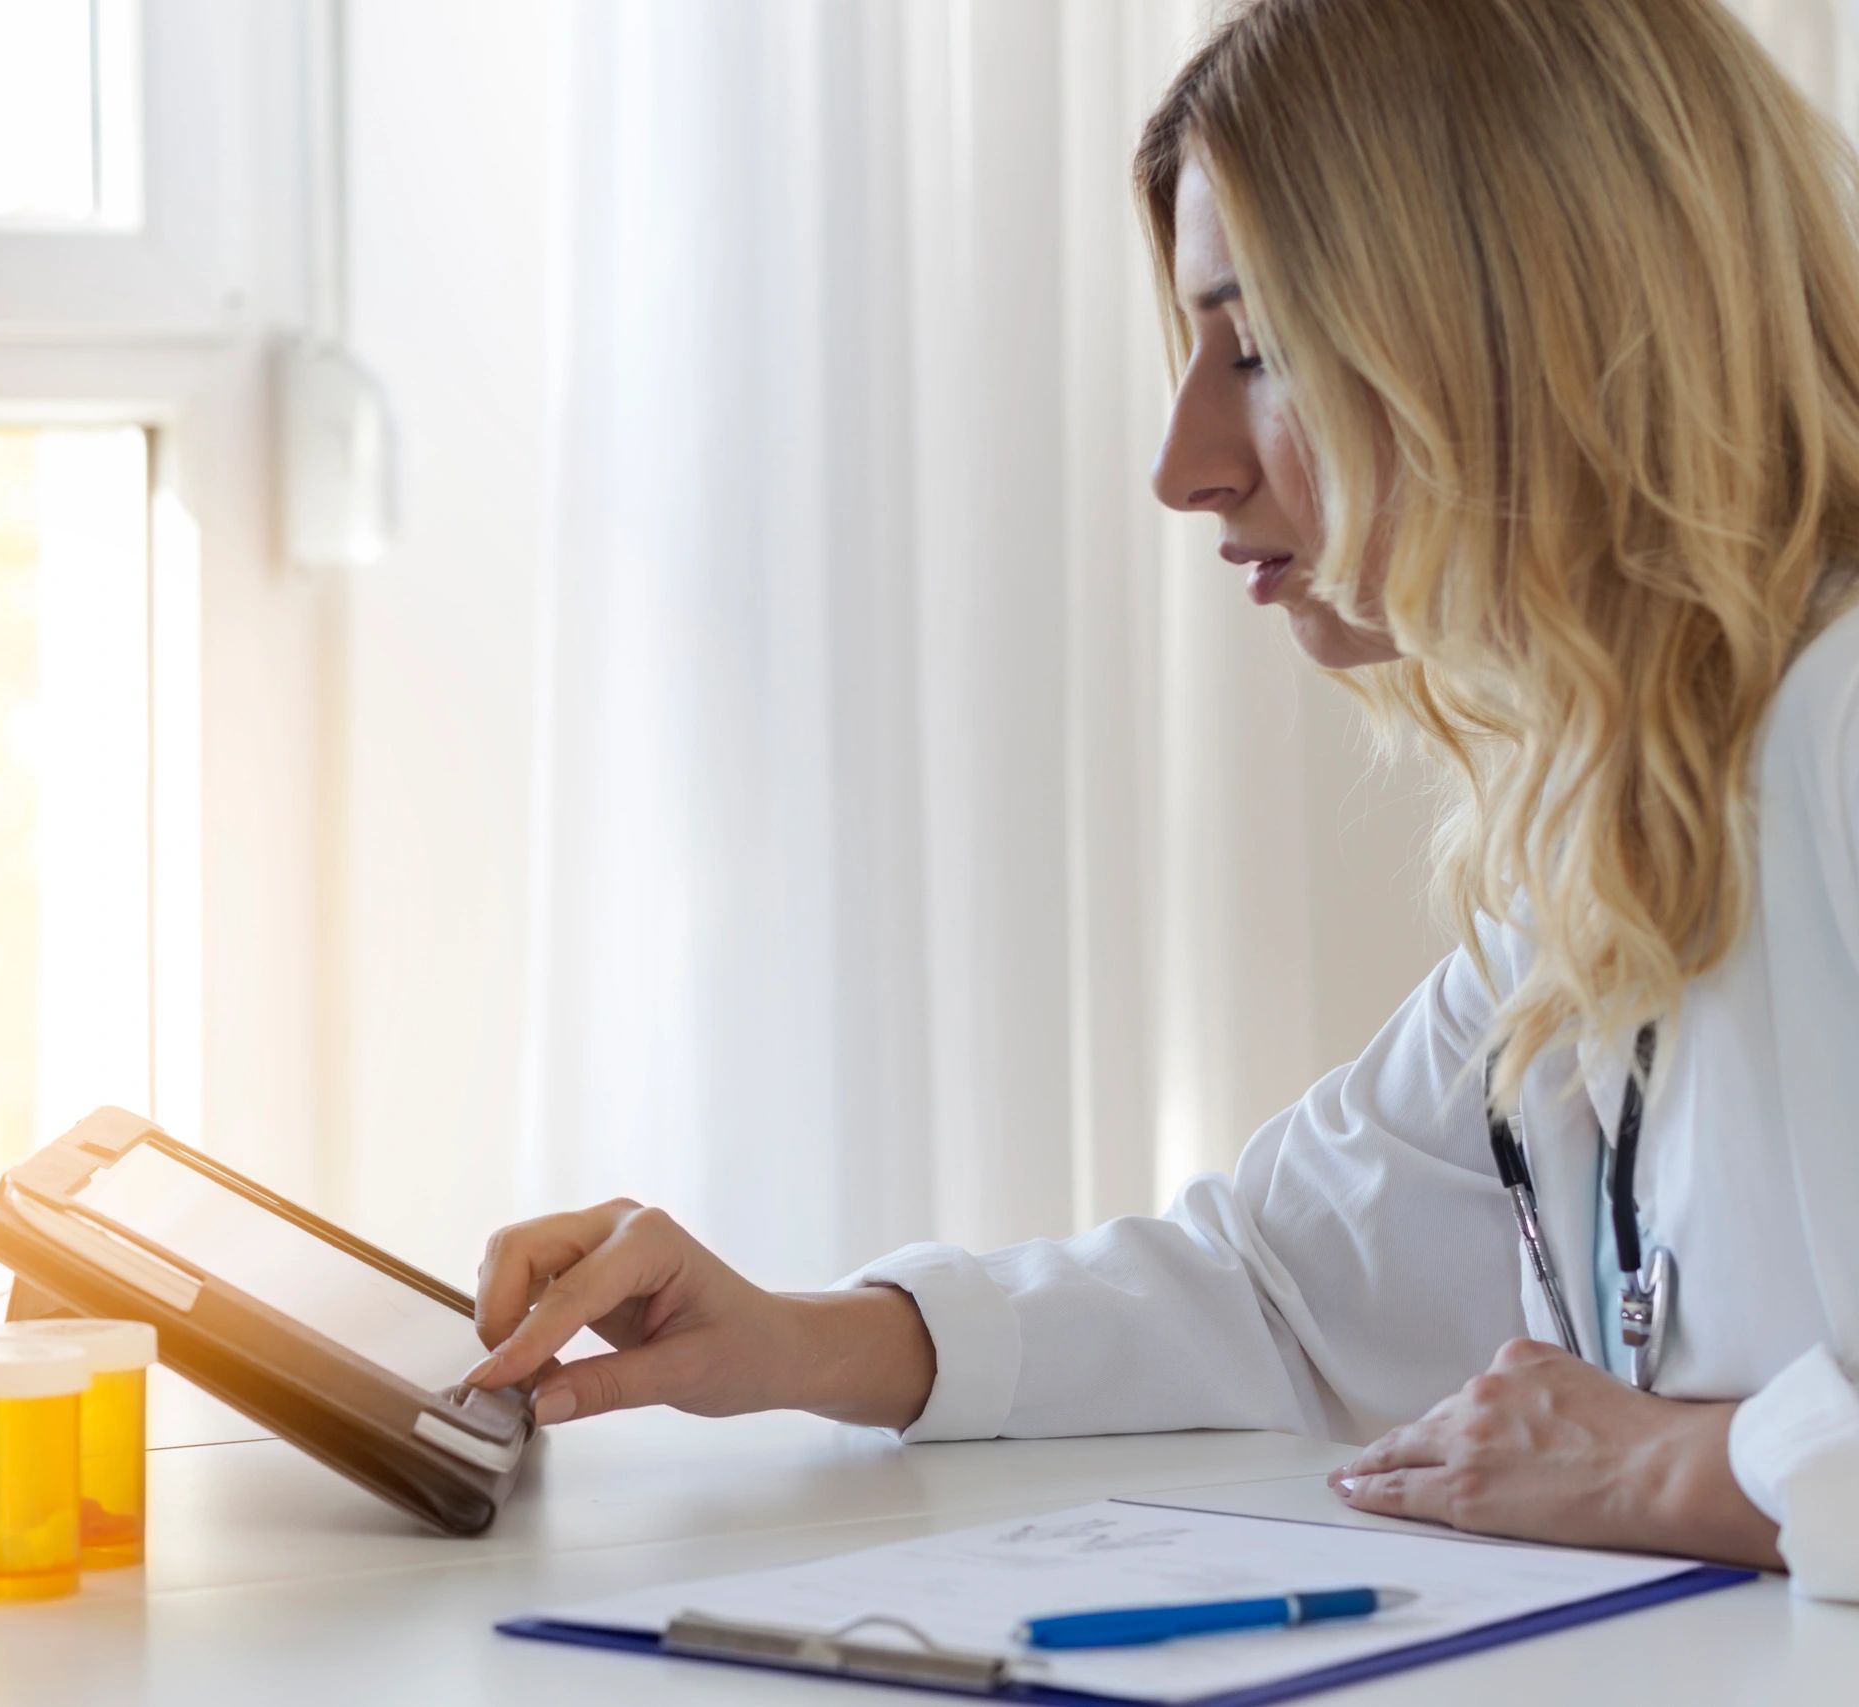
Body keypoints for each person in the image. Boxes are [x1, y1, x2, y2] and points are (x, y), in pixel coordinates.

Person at [464, 0, 1859, 1601]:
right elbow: (1278, 1285)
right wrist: (797, 1339)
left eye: (1258, 350)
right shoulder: (1614, 826)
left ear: (1537, 321)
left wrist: (1685, 1465)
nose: (1184, 462)